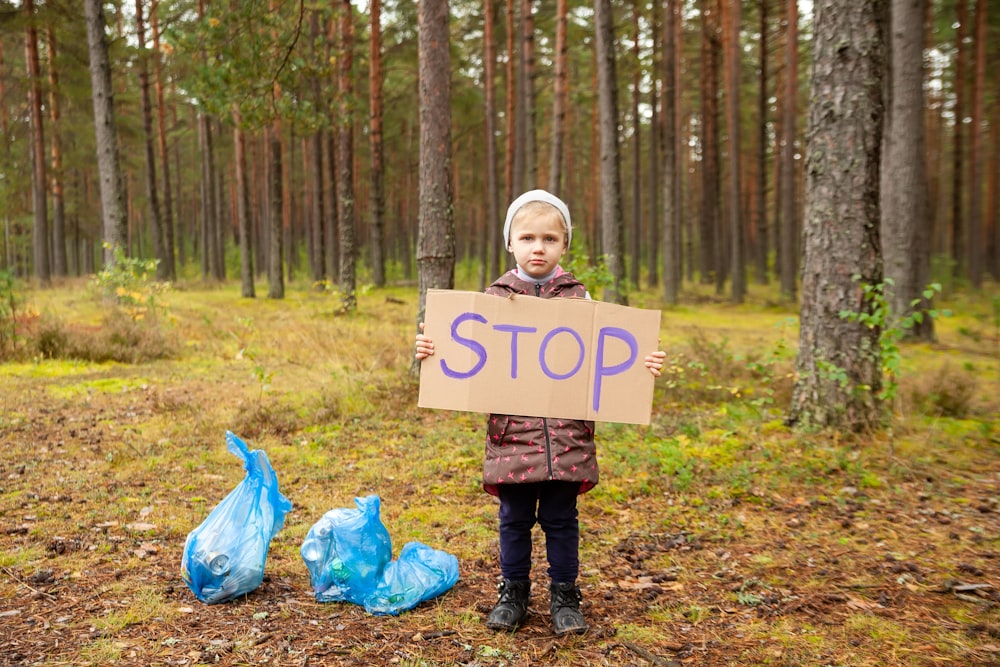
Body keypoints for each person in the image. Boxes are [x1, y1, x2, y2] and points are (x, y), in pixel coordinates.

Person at [415, 189, 666, 636]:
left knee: (561, 520)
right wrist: (434, 350)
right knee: (513, 520)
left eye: (549, 239)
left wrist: (642, 366)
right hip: (512, 439)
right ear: (509, 242)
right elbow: (466, 355)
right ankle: (513, 591)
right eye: (527, 237)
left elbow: (611, 358)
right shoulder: (493, 300)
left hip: (567, 440)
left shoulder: (581, 302)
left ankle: (565, 593)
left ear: (564, 245)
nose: (538, 247)